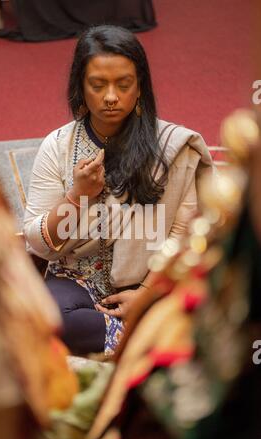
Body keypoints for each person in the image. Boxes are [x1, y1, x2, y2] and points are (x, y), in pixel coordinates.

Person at [23, 25, 213, 356]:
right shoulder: (58, 146)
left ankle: (140, 329)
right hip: (77, 277)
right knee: (48, 319)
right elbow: (38, 242)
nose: (111, 96)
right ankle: (142, 338)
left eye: (123, 84)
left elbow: (185, 231)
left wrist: (146, 291)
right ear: (81, 88)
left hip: (150, 278)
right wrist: (78, 195)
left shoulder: (172, 146)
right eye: (98, 85)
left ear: (140, 88)